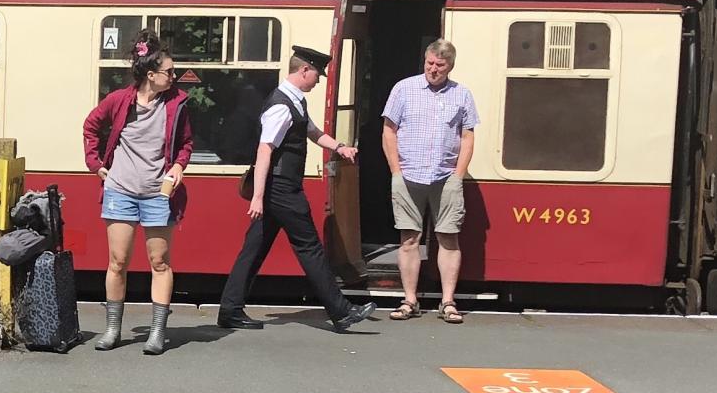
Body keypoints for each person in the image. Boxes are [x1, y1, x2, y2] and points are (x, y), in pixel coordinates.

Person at [216, 45, 375, 334]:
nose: (318, 79)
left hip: (279, 189)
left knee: (254, 249)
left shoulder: (294, 102)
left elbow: (312, 132)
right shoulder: (281, 106)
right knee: (310, 247)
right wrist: (259, 196)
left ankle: (230, 310)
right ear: (303, 70)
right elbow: (265, 150)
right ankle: (341, 312)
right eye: (317, 74)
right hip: (282, 190)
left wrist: (340, 147)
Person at [81, 35, 193, 355]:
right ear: (151, 75)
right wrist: (95, 164)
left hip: (159, 192)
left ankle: (157, 333)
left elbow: (185, 143)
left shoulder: (176, 104)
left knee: (159, 261)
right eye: (169, 71)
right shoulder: (119, 101)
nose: (174, 77)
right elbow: (91, 126)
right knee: (117, 262)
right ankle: (113, 329)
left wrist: (179, 166)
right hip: (121, 189)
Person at [380, 37, 478, 323]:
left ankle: (447, 301)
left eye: (440, 65)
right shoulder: (404, 89)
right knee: (409, 238)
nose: (433, 69)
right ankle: (410, 299)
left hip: (445, 176)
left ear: (450, 67)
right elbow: (389, 131)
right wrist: (396, 172)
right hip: (408, 174)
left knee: (448, 237)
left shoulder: (462, 94)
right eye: (430, 63)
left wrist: (458, 175)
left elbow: (468, 137)